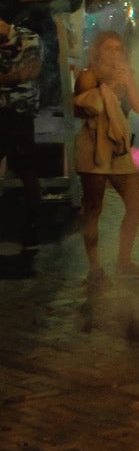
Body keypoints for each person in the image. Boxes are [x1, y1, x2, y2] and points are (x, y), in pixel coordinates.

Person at [73, 31, 139, 283]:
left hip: (118, 148)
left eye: (118, 49)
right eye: (108, 49)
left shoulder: (126, 74)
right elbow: (84, 110)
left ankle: (124, 260)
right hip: (94, 147)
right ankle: (94, 266)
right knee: (94, 207)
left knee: (137, 205)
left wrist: (127, 82)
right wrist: (112, 87)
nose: (114, 54)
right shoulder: (88, 75)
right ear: (97, 51)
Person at [0, 16, 45, 279]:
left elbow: (29, 72)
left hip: (19, 113)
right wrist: (11, 77)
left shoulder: (30, 39)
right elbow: (18, 75)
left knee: (27, 171)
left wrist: (7, 77)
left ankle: (31, 232)